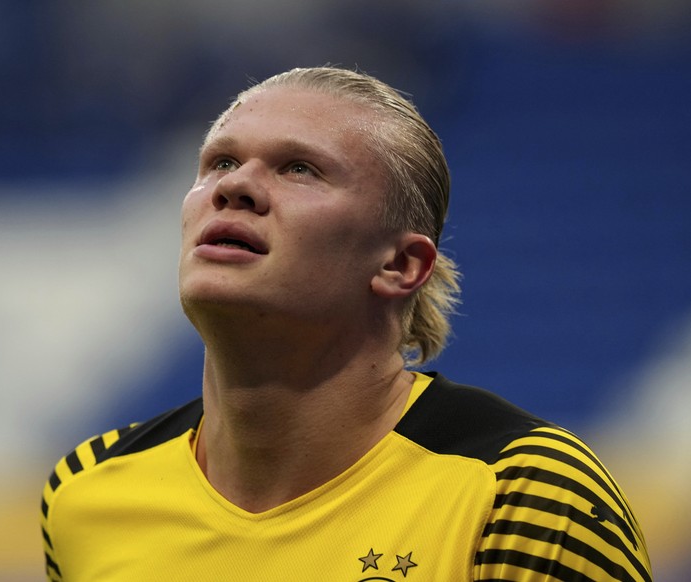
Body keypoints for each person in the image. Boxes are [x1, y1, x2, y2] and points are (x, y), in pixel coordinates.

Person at [40, 66, 651, 581]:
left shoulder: (526, 498)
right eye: (220, 161)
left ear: (399, 264)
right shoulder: (87, 491)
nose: (236, 188)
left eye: (300, 169)